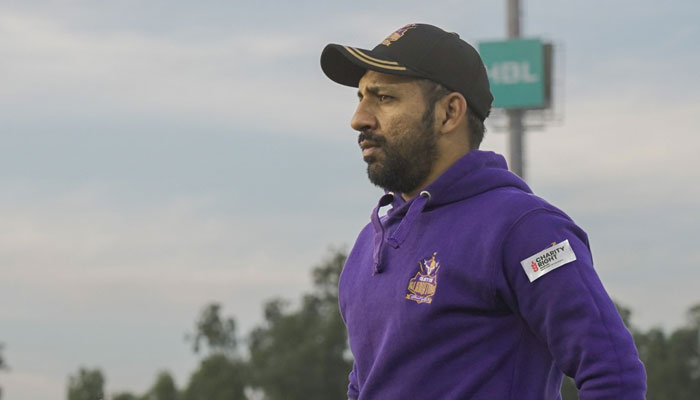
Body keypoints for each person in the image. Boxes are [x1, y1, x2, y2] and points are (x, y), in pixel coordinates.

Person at [320, 23, 646, 399]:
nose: (358, 118)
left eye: (384, 98)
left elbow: (614, 374)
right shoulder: (368, 246)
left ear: (449, 112)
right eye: (360, 97)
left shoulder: (525, 229)